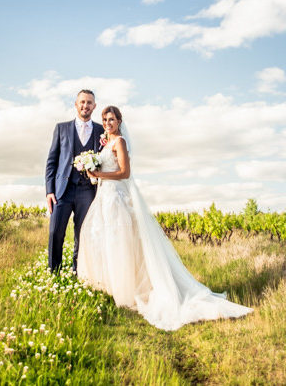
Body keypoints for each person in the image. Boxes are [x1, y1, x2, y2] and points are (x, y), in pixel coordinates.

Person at [77, 105, 252, 331]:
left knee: (120, 242)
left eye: (112, 119)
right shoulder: (106, 143)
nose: (108, 123)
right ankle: (116, 288)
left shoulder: (119, 142)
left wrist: (98, 173)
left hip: (117, 198)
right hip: (105, 196)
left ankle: (129, 293)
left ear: (119, 121)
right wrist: (94, 172)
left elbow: (125, 173)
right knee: (108, 241)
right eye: (105, 119)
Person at [44, 89, 104, 273]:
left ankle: (78, 271)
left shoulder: (101, 131)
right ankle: (54, 272)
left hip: (87, 191)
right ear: (76, 104)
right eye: (82, 102)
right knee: (55, 232)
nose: (85, 105)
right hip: (63, 190)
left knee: (82, 234)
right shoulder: (61, 128)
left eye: (89, 102)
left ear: (94, 106)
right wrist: (49, 191)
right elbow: (52, 161)